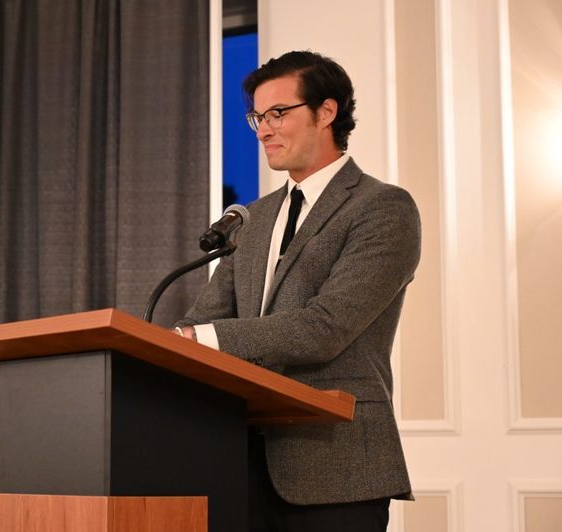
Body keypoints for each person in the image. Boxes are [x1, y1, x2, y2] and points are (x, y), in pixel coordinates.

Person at [174, 50, 420, 531]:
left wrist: (201, 339)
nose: (263, 129)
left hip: (337, 469)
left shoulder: (383, 208)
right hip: (235, 465)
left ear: (326, 112)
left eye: (277, 113)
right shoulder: (252, 217)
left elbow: (324, 328)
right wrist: (185, 338)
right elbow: (201, 319)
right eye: (257, 117)